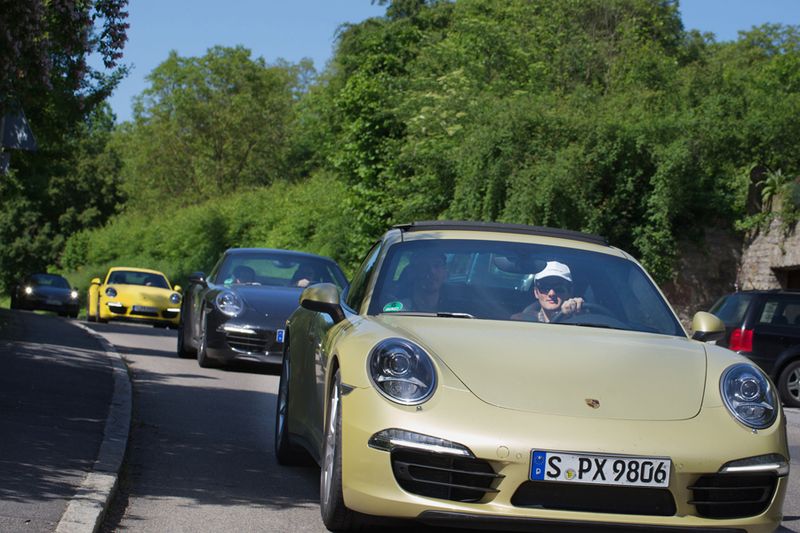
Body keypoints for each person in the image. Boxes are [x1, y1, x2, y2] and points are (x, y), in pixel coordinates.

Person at [512, 261, 583, 322]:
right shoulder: (521, 321)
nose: (551, 293)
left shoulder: (582, 319)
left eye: (558, 288)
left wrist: (576, 313)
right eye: (545, 288)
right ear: (536, 292)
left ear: (570, 292)